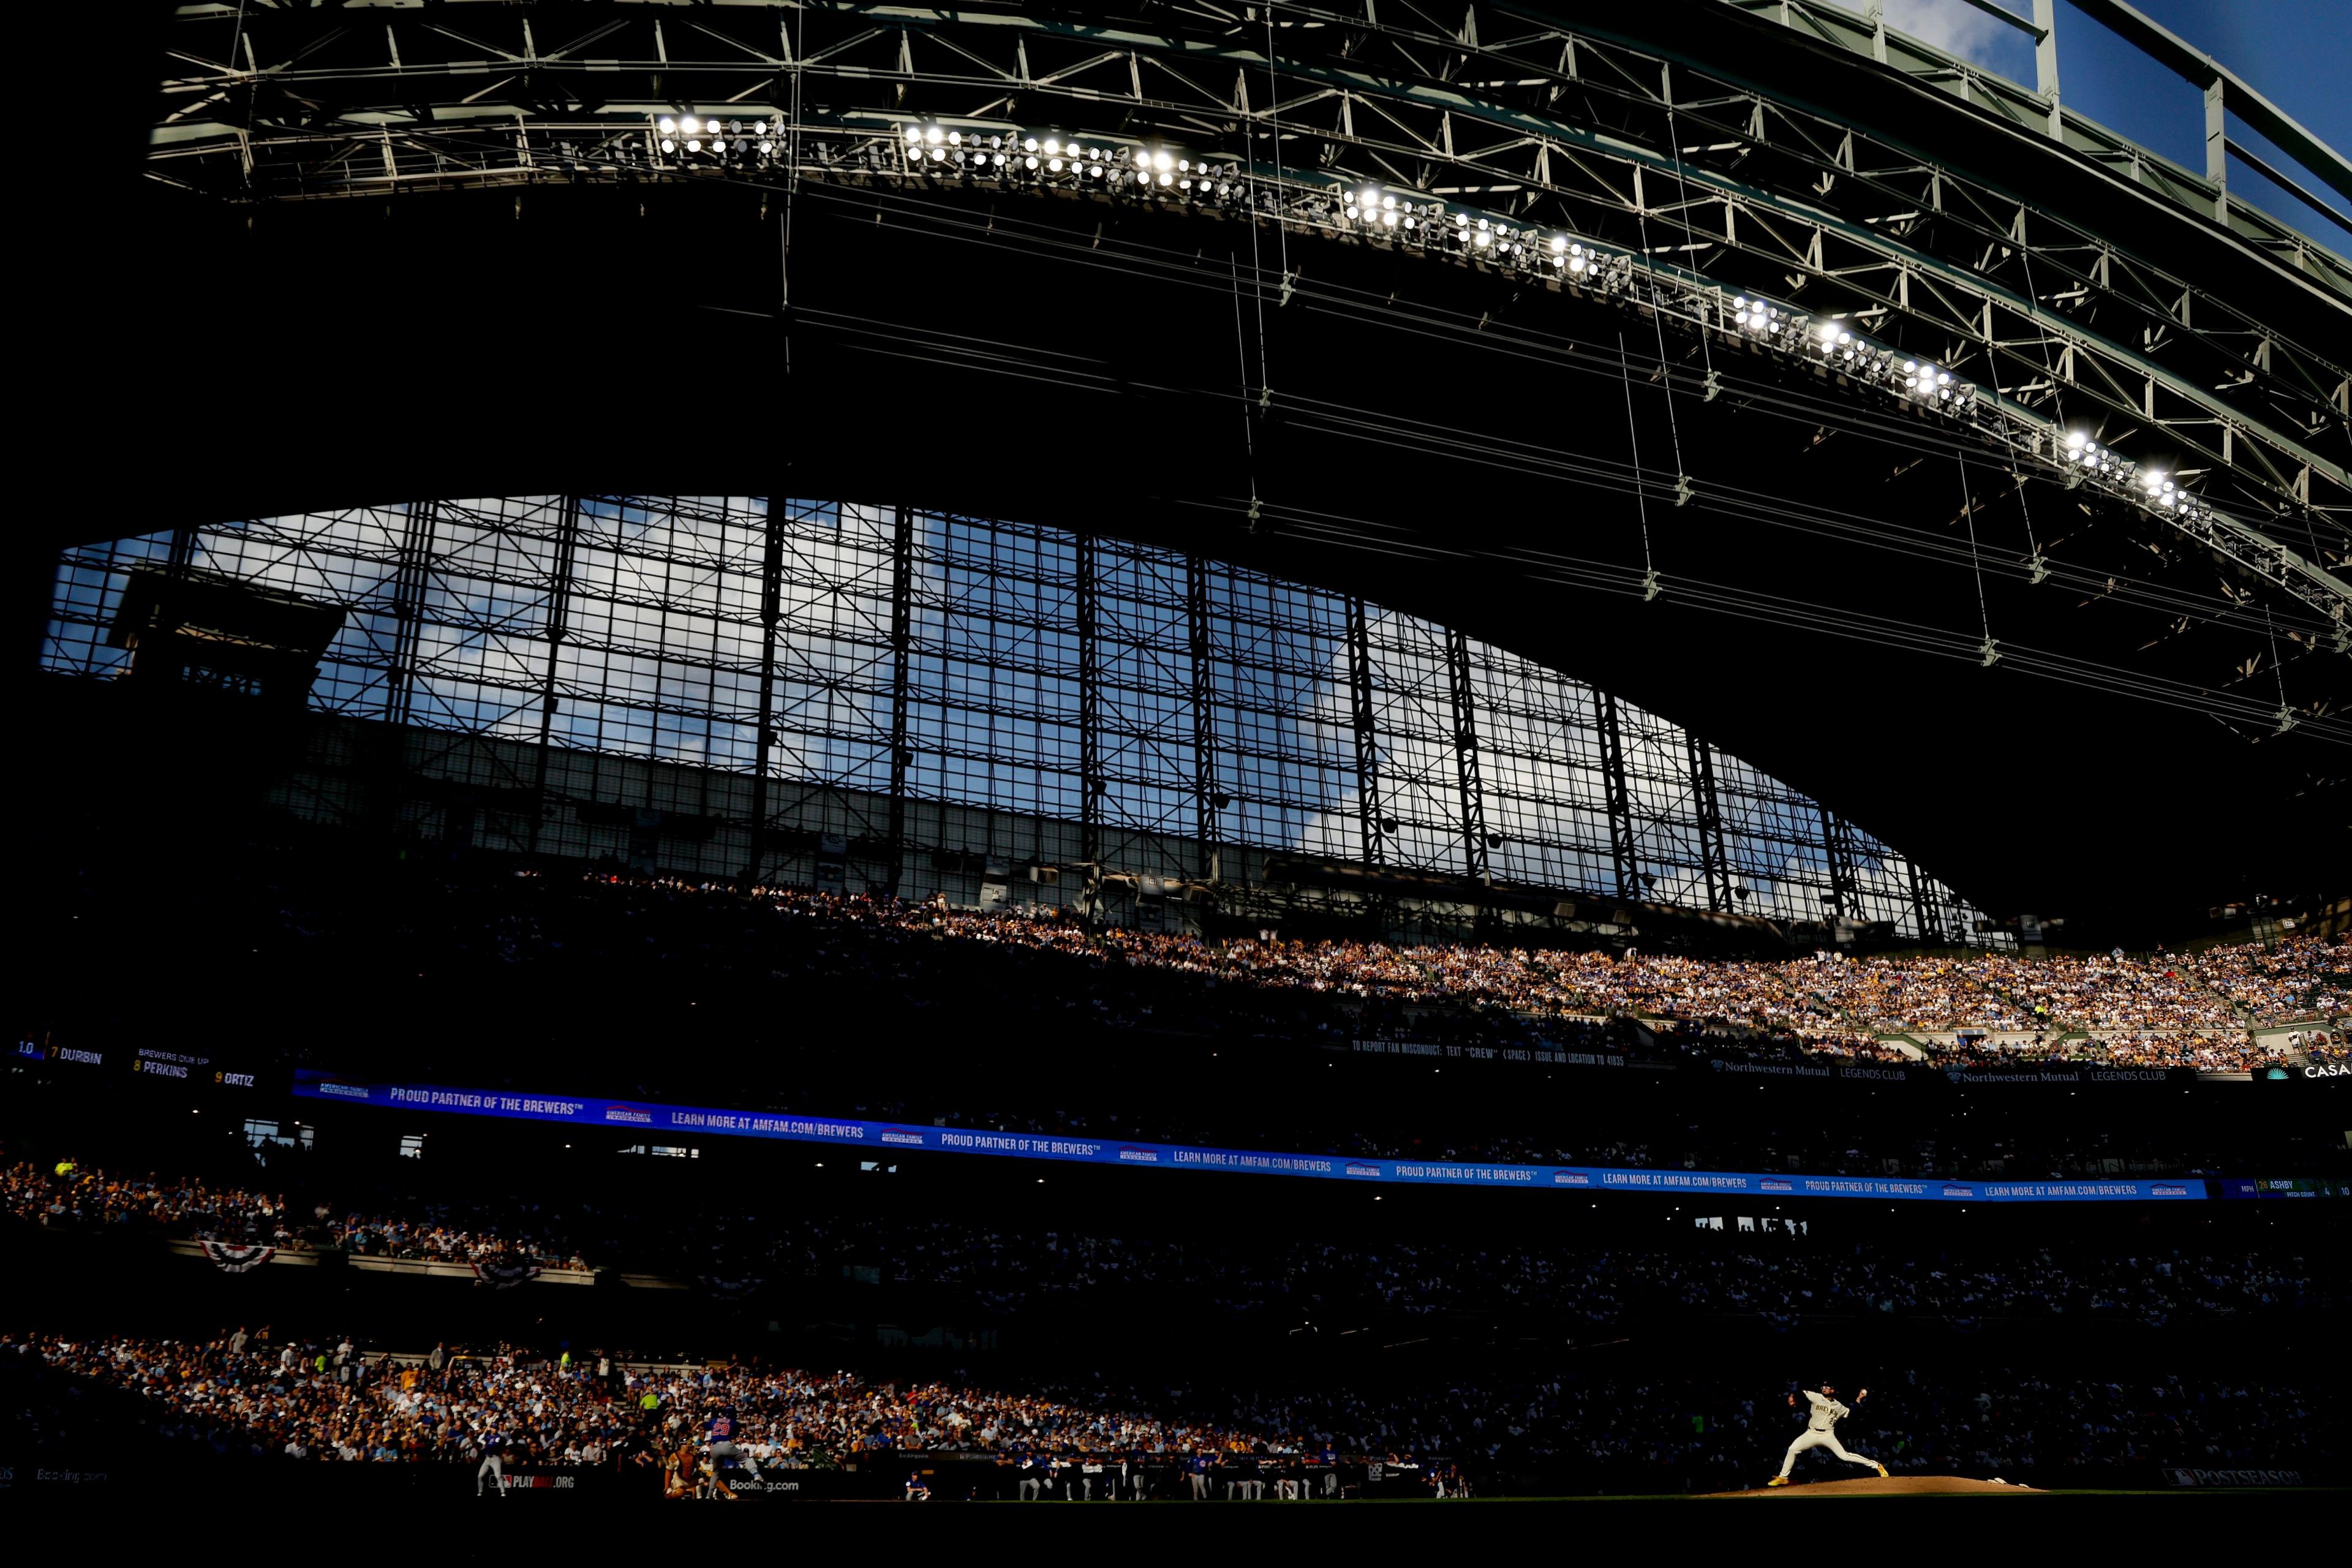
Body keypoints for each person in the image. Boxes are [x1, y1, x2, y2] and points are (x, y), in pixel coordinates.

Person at [1768, 1383, 1888, 1486]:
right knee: (1793, 1449)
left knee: (1845, 1456)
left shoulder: (1839, 1406)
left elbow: (1851, 1412)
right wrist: (1792, 1397)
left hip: (1828, 1435)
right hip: (1811, 1433)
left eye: (1827, 1387)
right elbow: (1799, 1392)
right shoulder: (1816, 1397)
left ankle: (1877, 1466)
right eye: (1823, 1387)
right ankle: (1783, 1477)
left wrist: (1859, 1398)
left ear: (1833, 1390)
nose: (1824, 1389)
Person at [476, 1427, 509, 1496]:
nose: (495, 1430)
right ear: (491, 1429)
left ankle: (503, 1493)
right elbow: (482, 1442)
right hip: (487, 1458)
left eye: (496, 1428)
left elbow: (493, 1446)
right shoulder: (488, 1436)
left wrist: (483, 1442)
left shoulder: (498, 1437)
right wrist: (480, 1438)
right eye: (494, 1428)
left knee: (498, 1476)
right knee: (480, 1476)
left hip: (495, 1459)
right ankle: (480, 1492)